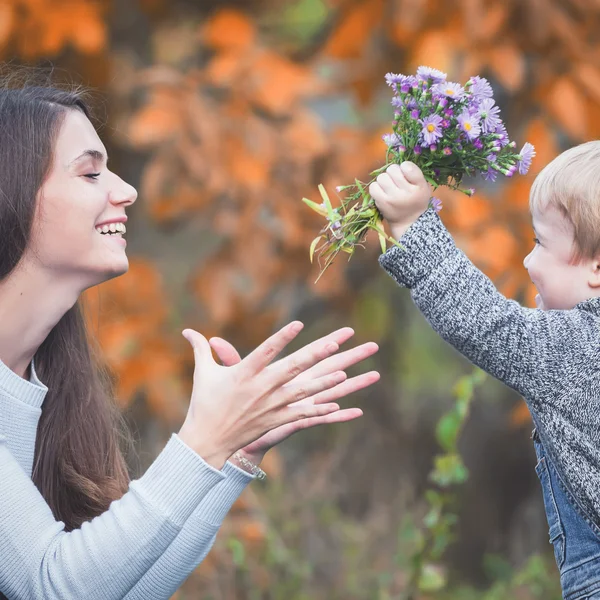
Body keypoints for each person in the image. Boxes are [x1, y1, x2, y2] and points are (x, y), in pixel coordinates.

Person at [0, 82, 381, 600]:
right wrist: (205, 439)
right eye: (90, 173)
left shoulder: (43, 379)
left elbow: (121, 590)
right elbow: (55, 586)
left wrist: (234, 457)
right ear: (12, 192)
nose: (125, 190)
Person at [371, 148, 600, 598]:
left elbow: (489, 325)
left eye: (539, 243)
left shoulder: (583, 347)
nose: (528, 263)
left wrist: (415, 229)